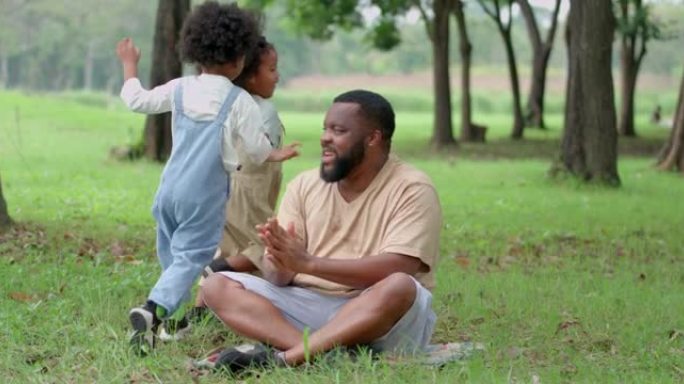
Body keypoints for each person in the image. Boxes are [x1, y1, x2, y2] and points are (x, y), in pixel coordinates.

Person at [201, 89, 443, 373]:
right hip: (308, 306)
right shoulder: (305, 185)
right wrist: (278, 261)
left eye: (338, 130)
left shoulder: (412, 188)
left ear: (373, 138)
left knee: (400, 285)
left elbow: (399, 266)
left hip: (377, 315)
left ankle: (286, 358)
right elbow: (279, 277)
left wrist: (308, 263)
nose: (325, 137)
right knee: (216, 285)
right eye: (325, 128)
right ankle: (316, 354)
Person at [115, 2, 299, 355]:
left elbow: (137, 100)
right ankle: (153, 310)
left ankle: (161, 321)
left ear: (196, 52)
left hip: (168, 190)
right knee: (193, 257)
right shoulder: (239, 100)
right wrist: (277, 153)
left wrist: (129, 65)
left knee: (174, 258)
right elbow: (258, 150)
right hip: (204, 194)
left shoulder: (181, 87)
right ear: (238, 60)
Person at [159, 36, 285, 340]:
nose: (277, 75)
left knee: (229, 242)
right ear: (250, 75)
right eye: (271, 69)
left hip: (228, 184)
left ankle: (200, 310)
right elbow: (258, 151)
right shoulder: (258, 108)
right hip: (249, 187)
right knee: (263, 244)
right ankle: (216, 269)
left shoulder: (227, 100)